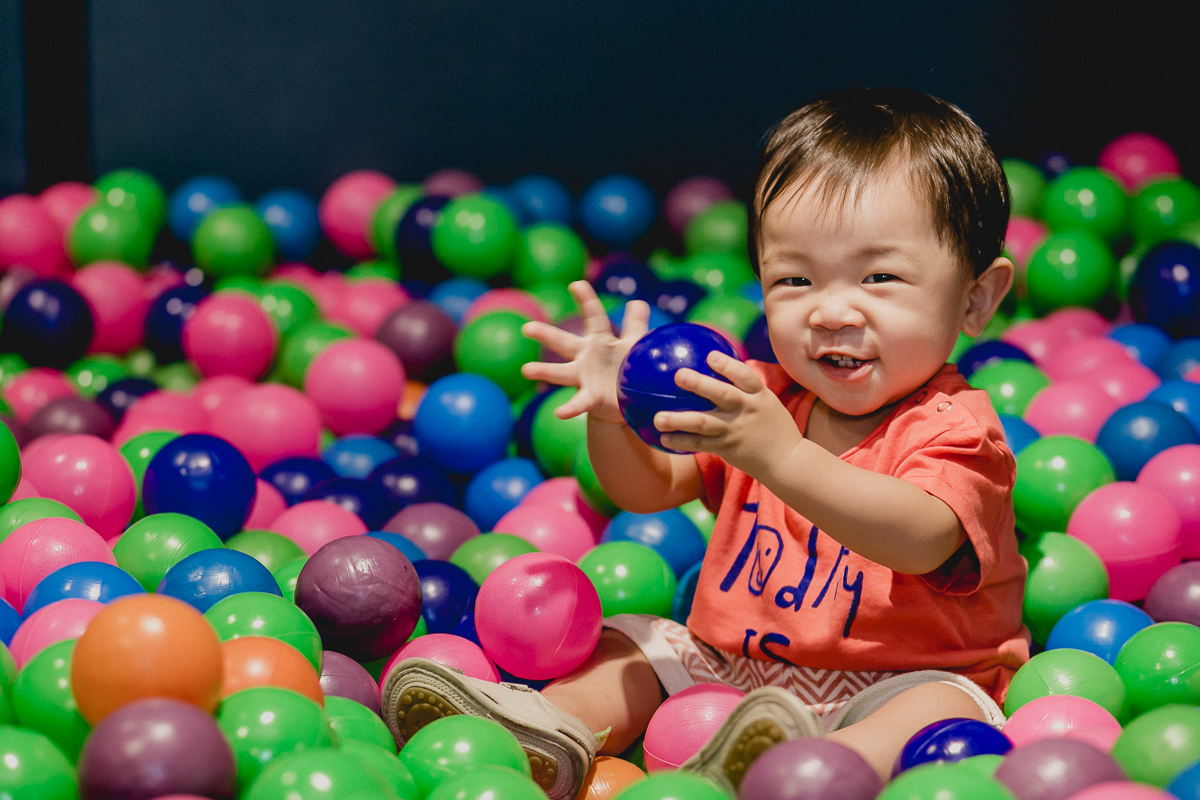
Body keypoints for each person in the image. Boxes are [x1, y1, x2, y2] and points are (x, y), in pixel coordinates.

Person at [382, 86, 1030, 799]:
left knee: (943, 710)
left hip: (902, 679)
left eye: (879, 277)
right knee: (633, 642)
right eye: (795, 278)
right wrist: (614, 418)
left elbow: (921, 537)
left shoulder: (955, 428)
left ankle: (810, 773)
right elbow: (648, 488)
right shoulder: (755, 396)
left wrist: (781, 456)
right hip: (735, 675)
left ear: (975, 298)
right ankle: (544, 732)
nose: (830, 310)